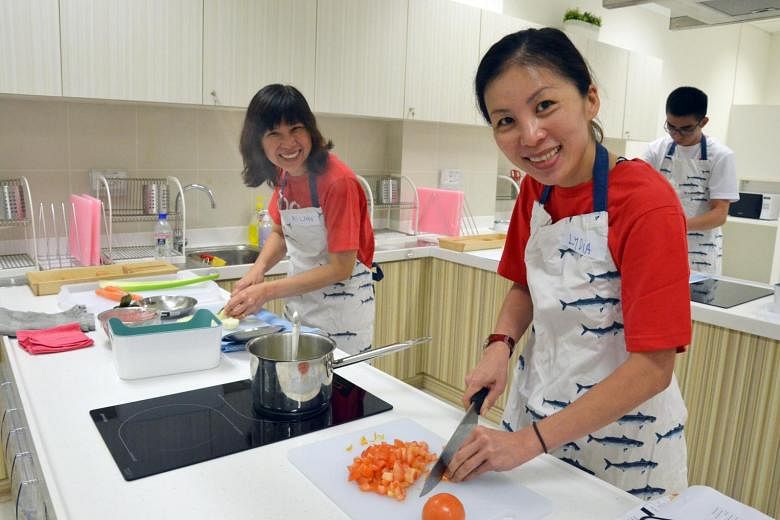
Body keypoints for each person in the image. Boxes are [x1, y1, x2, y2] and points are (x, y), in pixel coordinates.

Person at [448, 28, 691, 499]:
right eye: (505, 120)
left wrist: (526, 444)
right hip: (535, 417)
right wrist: (499, 346)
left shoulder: (646, 202)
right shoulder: (535, 192)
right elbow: (524, 284)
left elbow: (654, 367)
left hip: (623, 451)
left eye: (544, 106)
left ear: (590, 99)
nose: (530, 135)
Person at [223, 84, 376, 354]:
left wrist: (267, 292)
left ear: (310, 130)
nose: (289, 143)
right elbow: (281, 233)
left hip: (341, 315)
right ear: (258, 142)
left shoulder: (338, 182)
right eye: (274, 134)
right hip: (299, 307)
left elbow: (341, 267)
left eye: (296, 129)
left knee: (340, 392)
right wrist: (257, 271)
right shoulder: (285, 175)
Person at [643, 86, 738, 275]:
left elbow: (719, 214)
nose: (676, 135)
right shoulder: (656, 151)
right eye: (671, 127)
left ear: (703, 122)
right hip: (661, 245)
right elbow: (640, 195)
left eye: (685, 129)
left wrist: (676, 225)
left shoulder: (720, 156)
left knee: (697, 304)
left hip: (700, 252)